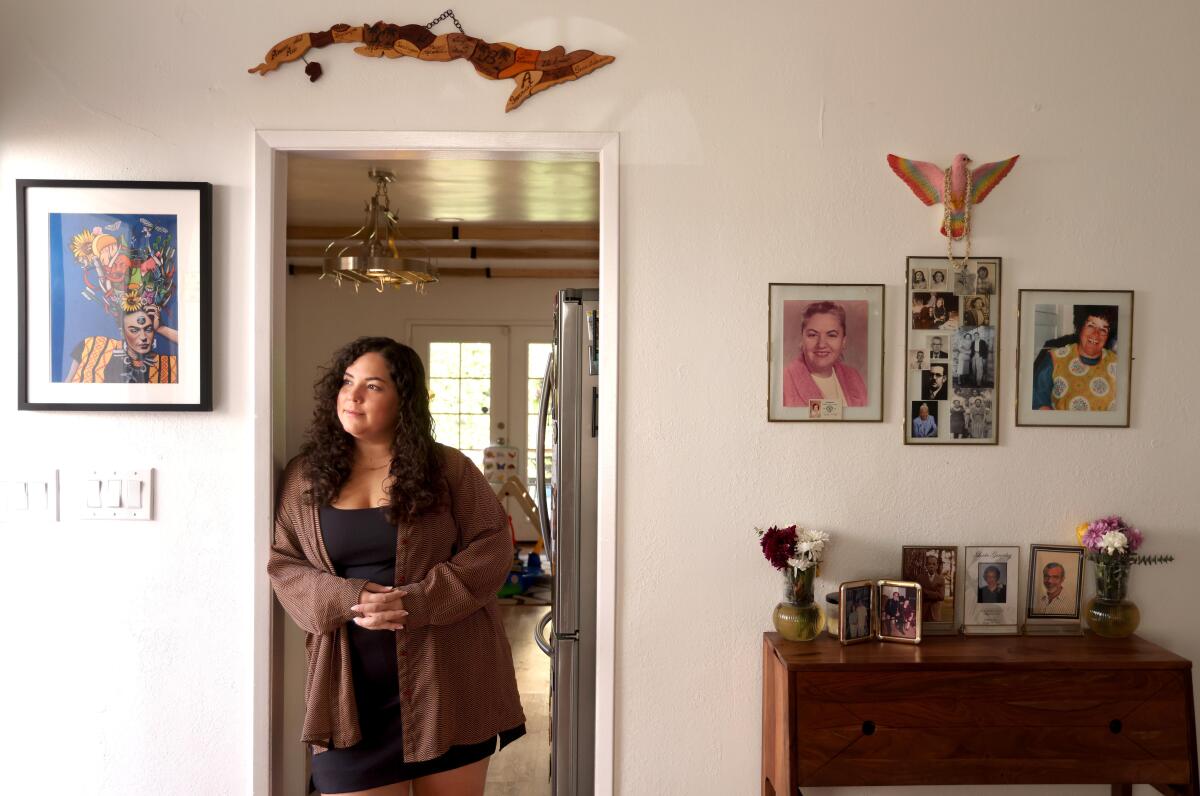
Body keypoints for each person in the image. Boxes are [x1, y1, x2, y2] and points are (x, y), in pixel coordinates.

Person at [267, 337, 526, 796]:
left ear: (402, 398)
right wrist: (351, 599)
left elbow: (493, 546)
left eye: (372, 385)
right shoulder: (304, 476)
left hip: (450, 683)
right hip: (351, 697)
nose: (353, 396)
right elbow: (285, 566)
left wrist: (418, 602)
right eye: (347, 382)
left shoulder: (448, 469)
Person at [1031, 305, 1119, 411]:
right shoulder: (1054, 359)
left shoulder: (1117, 363)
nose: (1096, 334)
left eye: (1103, 330)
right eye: (1091, 325)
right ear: (1080, 327)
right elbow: (1038, 402)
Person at [783, 301, 868, 407]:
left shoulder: (854, 377)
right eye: (813, 335)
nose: (821, 344)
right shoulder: (784, 381)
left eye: (831, 335)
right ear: (802, 339)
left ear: (843, 341)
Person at [913, 552, 946, 622]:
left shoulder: (941, 579)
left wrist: (925, 592)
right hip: (923, 612)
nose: (931, 566)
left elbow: (941, 596)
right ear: (926, 566)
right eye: (929, 564)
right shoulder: (920, 578)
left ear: (937, 566)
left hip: (935, 613)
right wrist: (935, 594)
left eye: (934, 564)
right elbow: (918, 594)